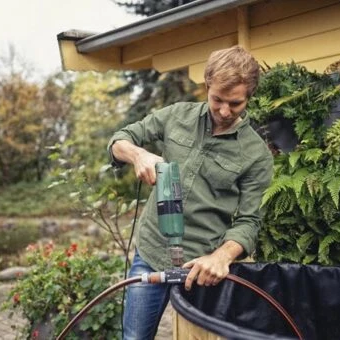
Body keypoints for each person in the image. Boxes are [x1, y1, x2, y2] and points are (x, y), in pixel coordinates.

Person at [107, 45, 274, 340]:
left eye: (235, 103)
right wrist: (139, 156)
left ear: (249, 95)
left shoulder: (256, 155)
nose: (224, 111)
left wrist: (222, 256)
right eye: (217, 99)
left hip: (202, 267)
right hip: (151, 251)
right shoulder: (176, 115)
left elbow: (249, 221)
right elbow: (121, 139)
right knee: (134, 337)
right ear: (207, 85)